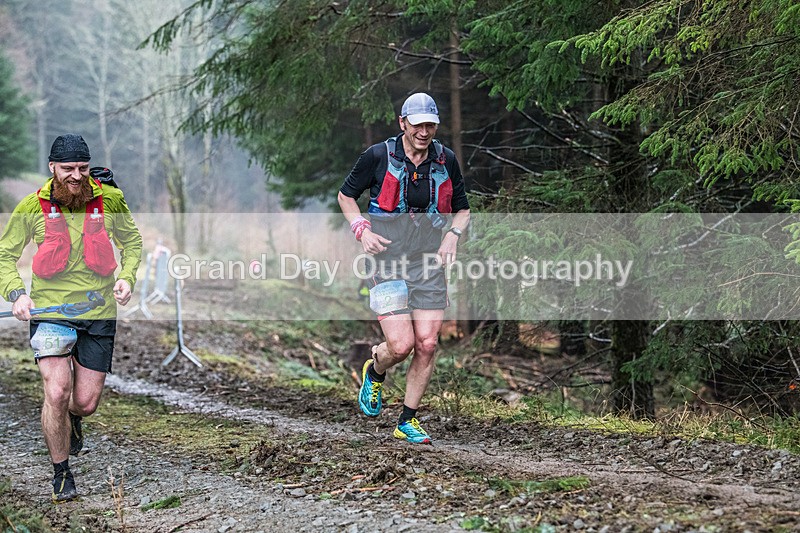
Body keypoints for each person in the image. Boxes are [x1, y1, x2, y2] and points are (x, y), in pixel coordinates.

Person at [0, 134, 142, 502]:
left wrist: (127, 277)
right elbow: (5, 255)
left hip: (98, 313)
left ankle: (73, 420)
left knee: (85, 402)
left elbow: (132, 242)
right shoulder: (32, 207)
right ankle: (61, 473)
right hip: (50, 313)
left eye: (82, 168)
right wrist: (17, 294)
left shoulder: (109, 199)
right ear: (53, 169)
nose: (77, 176)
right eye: (68, 169)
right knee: (57, 391)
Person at [338, 93, 470, 444]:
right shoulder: (378, 156)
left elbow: (463, 208)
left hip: (428, 263)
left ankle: (407, 421)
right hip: (386, 262)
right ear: (403, 123)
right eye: (418, 125)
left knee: (427, 344)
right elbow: (345, 196)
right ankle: (375, 368)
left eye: (431, 125)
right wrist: (360, 229)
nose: (424, 132)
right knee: (400, 346)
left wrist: (452, 237)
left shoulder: (446, 160)